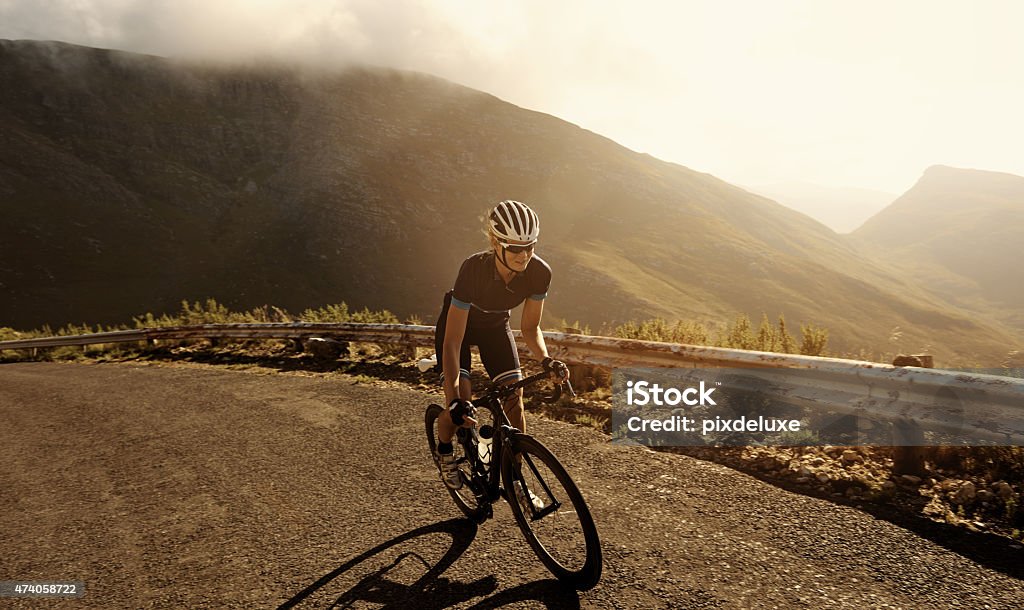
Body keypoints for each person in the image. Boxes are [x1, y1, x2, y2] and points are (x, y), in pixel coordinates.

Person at [433, 200, 568, 500]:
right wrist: (455, 397)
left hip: (495, 327)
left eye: (530, 247)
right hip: (459, 330)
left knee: (514, 400)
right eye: (514, 248)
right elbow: (453, 341)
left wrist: (546, 360)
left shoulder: (539, 273)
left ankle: (515, 479)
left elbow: (531, 328)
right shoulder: (473, 270)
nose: (524, 255)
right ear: (495, 242)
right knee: (459, 406)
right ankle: (444, 452)